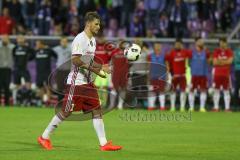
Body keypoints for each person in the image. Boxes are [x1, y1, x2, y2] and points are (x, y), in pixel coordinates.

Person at [37, 12, 122, 151]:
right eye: (96, 24)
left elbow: (89, 61)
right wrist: (100, 67)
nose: (98, 27)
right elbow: (76, 60)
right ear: (88, 23)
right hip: (76, 83)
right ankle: (44, 137)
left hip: (88, 83)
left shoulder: (93, 40)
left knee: (97, 111)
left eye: (99, 24)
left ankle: (104, 143)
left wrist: (98, 71)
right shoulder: (79, 39)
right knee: (66, 112)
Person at [165, 38, 190, 112]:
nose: (177, 45)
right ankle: (172, 107)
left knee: (183, 91)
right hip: (174, 75)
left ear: (181, 45)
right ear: (174, 45)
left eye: (179, 44)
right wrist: (169, 72)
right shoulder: (172, 53)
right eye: (176, 44)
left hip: (183, 75)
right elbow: (167, 61)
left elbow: (191, 57)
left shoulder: (185, 52)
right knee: (173, 91)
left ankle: (182, 107)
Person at [188, 37, 211, 112]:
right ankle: (191, 108)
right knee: (191, 90)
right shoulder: (191, 52)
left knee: (203, 90)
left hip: (203, 74)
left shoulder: (206, 52)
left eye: (202, 41)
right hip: (194, 74)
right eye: (199, 41)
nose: (201, 42)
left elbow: (210, 62)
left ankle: (202, 107)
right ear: (196, 42)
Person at [212, 38, 233, 112]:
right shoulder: (216, 51)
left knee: (226, 91)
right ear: (219, 43)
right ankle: (216, 108)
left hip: (226, 74)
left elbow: (230, 62)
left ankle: (227, 108)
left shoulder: (229, 51)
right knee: (216, 90)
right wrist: (225, 61)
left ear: (226, 43)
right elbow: (214, 62)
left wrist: (220, 61)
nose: (222, 44)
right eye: (221, 42)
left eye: (224, 42)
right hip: (217, 74)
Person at [12, 35, 34, 105]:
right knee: (17, 85)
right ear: (17, 40)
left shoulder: (27, 48)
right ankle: (18, 100)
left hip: (24, 69)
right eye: (19, 38)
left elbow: (33, 54)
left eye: (22, 38)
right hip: (16, 69)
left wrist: (29, 58)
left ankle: (28, 100)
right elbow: (13, 56)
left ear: (24, 39)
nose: (20, 40)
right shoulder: (15, 48)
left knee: (28, 84)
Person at [35, 40, 57, 104]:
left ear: (42, 44)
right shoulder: (36, 51)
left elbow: (55, 55)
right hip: (39, 72)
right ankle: (42, 102)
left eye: (38, 44)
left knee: (48, 87)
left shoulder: (48, 51)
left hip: (47, 72)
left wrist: (48, 48)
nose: (36, 45)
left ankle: (48, 102)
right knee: (40, 86)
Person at [147, 42, 167, 110]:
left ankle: (162, 107)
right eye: (156, 46)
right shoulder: (150, 56)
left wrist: (166, 75)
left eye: (159, 46)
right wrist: (148, 76)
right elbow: (149, 67)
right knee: (152, 92)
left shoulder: (164, 56)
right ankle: (151, 106)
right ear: (154, 48)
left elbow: (166, 66)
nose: (158, 48)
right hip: (153, 76)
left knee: (161, 91)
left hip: (161, 77)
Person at [53, 37, 71, 101]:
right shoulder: (57, 49)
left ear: (67, 42)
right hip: (59, 70)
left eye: (65, 41)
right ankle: (59, 102)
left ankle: (68, 102)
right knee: (59, 86)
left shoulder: (71, 49)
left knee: (68, 87)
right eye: (62, 41)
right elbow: (50, 51)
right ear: (60, 42)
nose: (64, 43)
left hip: (68, 71)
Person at [0, 35, 14, 106]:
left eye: (6, 39)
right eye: (3, 39)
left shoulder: (11, 47)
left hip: (8, 69)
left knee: (6, 86)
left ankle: (7, 103)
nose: (4, 40)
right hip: (0, 69)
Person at [234, 43, 240, 111]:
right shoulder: (237, 51)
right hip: (238, 70)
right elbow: (237, 60)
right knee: (237, 88)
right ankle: (235, 106)